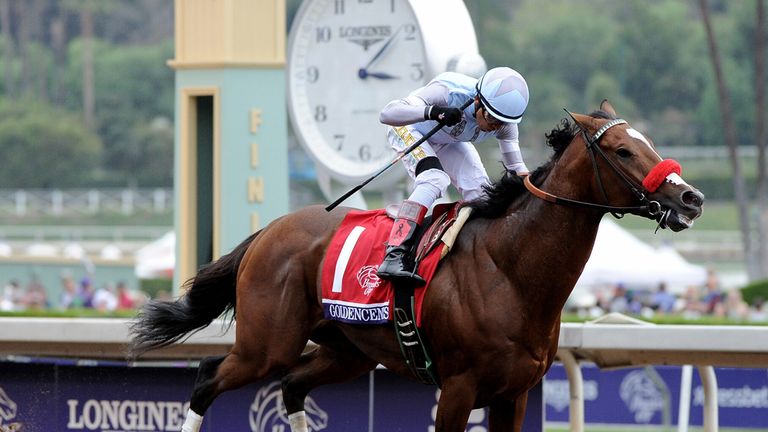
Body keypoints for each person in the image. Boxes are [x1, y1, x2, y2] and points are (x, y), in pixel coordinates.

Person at [377, 67, 530, 284]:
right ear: (477, 100)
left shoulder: (506, 124)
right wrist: (432, 111)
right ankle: (394, 253)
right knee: (435, 179)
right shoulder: (448, 92)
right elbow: (387, 113)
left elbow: (516, 168)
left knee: (483, 195)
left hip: (447, 141)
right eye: (490, 118)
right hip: (411, 129)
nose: (493, 127)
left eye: (500, 122)